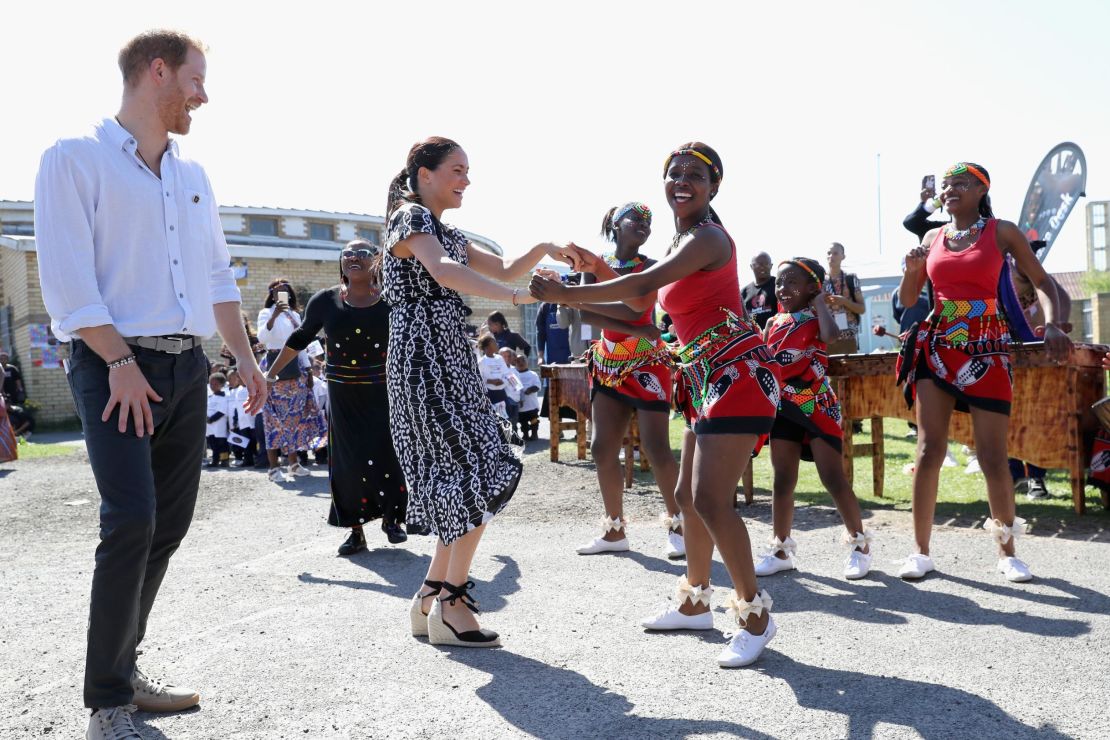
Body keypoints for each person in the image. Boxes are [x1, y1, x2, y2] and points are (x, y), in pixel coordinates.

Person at [33, 29, 266, 739]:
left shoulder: (192, 177)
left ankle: (125, 670)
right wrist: (121, 361)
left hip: (186, 365)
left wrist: (246, 359)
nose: (203, 94)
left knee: (167, 525)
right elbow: (67, 282)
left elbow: (220, 276)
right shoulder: (73, 159)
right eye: (195, 79)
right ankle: (107, 703)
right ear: (157, 72)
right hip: (113, 365)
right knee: (130, 519)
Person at [531, 142, 780, 669]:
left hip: (736, 375)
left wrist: (567, 294)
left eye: (695, 174)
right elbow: (643, 317)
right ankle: (693, 604)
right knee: (689, 500)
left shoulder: (709, 238)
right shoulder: (684, 239)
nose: (682, 181)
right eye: (674, 173)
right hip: (704, 378)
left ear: (715, 187)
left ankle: (755, 617)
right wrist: (580, 286)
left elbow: (642, 284)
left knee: (711, 501)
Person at [384, 136, 577, 648]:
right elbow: (446, 272)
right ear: (424, 174)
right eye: (457, 169)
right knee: (480, 468)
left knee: (467, 471)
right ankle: (450, 603)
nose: (466, 179)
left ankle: (431, 597)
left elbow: (507, 266)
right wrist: (518, 297)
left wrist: (542, 251)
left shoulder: (441, 229)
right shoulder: (412, 219)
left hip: (445, 359)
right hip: (427, 363)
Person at [895, 162, 1072, 583]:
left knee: (994, 455)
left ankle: (1008, 552)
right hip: (937, 347)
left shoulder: (1002, 232)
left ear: (980, 189)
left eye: (959, 184)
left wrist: (1052, 325)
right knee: (928, 449)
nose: (950, 190)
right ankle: (920, 552)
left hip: (989, 348)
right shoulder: (931, 236)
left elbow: (1044, 283)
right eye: (945, 186)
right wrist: (912, 268)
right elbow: (907, 301)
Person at [267, 240, 410, 553]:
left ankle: (392, 519)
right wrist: (271, 374)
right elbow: (299, 338)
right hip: (342, 392)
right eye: (347, 254)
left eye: (361, 253)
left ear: (377, 260)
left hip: (384, 390)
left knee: (386, 451)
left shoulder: (393, 299)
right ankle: (355, 531)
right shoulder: (325, 301)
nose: (352, 258)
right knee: (347, 461)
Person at [559, 202, 684, 560]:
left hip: (647, 362)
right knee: (601, 447)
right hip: (609, 361)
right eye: (636, 219)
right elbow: (583, 310)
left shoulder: (651, 267)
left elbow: (637, 303)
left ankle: (678, 526)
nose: (644, 224)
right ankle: (614, 530)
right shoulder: (592, 263)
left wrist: (632, 320)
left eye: (649, 221)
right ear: (616, 225)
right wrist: (638, 326)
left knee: (657, 448)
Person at [757, 259, 872, 580]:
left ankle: (859, 546)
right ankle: (780, 549)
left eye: (792, 282)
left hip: (817, 405)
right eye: (780, 282)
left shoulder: (816, 316)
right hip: (783, 408)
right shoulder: (774, 321)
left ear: (812, 287)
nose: (782, 288)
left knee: (833, 478)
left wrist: (821, 301)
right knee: (782, 481)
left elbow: (831, 335)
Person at [257, 279, 326, 483]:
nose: (281, 294)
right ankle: (273, 468)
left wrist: (309, 371)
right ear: (271, 294)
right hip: (273, 369)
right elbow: (262, 338)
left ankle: (294, 465)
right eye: (277, 291)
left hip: (296, 369)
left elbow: (300, 345)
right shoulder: (266, 313)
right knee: (273, 419)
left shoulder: (295, 315)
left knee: (294, 419)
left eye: (285, 291)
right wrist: (276, 314)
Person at [823, 242, 865, 355]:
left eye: (835, 253)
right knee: (827, 372)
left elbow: (862, 309)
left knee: (850, 372)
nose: (831, 256)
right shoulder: (820, 281)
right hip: (827, 338)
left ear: (843, 256)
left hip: (848, 339)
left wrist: (844, 301)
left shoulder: (851, 278)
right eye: (829, 253)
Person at [227, 368, 257, 467]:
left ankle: (256, 458)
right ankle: (248, 460)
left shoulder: (252, 388)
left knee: (254, 441)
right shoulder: (238, 390)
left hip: (252, 420)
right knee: (245, 442)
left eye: (240, 377)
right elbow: (236, 407)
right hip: (242, 421)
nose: (239, 379)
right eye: (238, 377)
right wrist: (235, 421)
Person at [902, 176, 948, 240]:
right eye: (945, 187)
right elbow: (910, 223)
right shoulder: (945, 229)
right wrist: (938, 202)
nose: (950, 191)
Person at [742, 252, 777, 329]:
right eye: (758, 264)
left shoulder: (778, 286)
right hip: (753, 338)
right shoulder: (743, 292)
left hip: (775, 336)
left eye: (766, 264)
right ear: (751, 266)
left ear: (771, 266)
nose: (762, 267)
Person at [205, 371, 230, 467]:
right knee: (213, 444)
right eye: (211, 383)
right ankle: (215, 460)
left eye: (215, 384)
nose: (212, 386)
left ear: (222, 385)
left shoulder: (224, 397)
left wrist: (211, 419)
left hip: (218, 424)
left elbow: (222, 411)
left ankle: (224, 460)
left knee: (222, 444)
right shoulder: (210, 397)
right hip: (210, 426)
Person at [515, 354, 541, 441]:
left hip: (532, 405)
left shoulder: (533, 374)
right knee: (523, 422)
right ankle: (525, 435)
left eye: (523, 360)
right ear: (515, 363)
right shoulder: (514, 374)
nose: (521, 363)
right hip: (521, 406)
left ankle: (534, 434)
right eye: (518, 361)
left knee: (534, 420)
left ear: (527, 362)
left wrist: (530, 390)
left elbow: (537, 386)